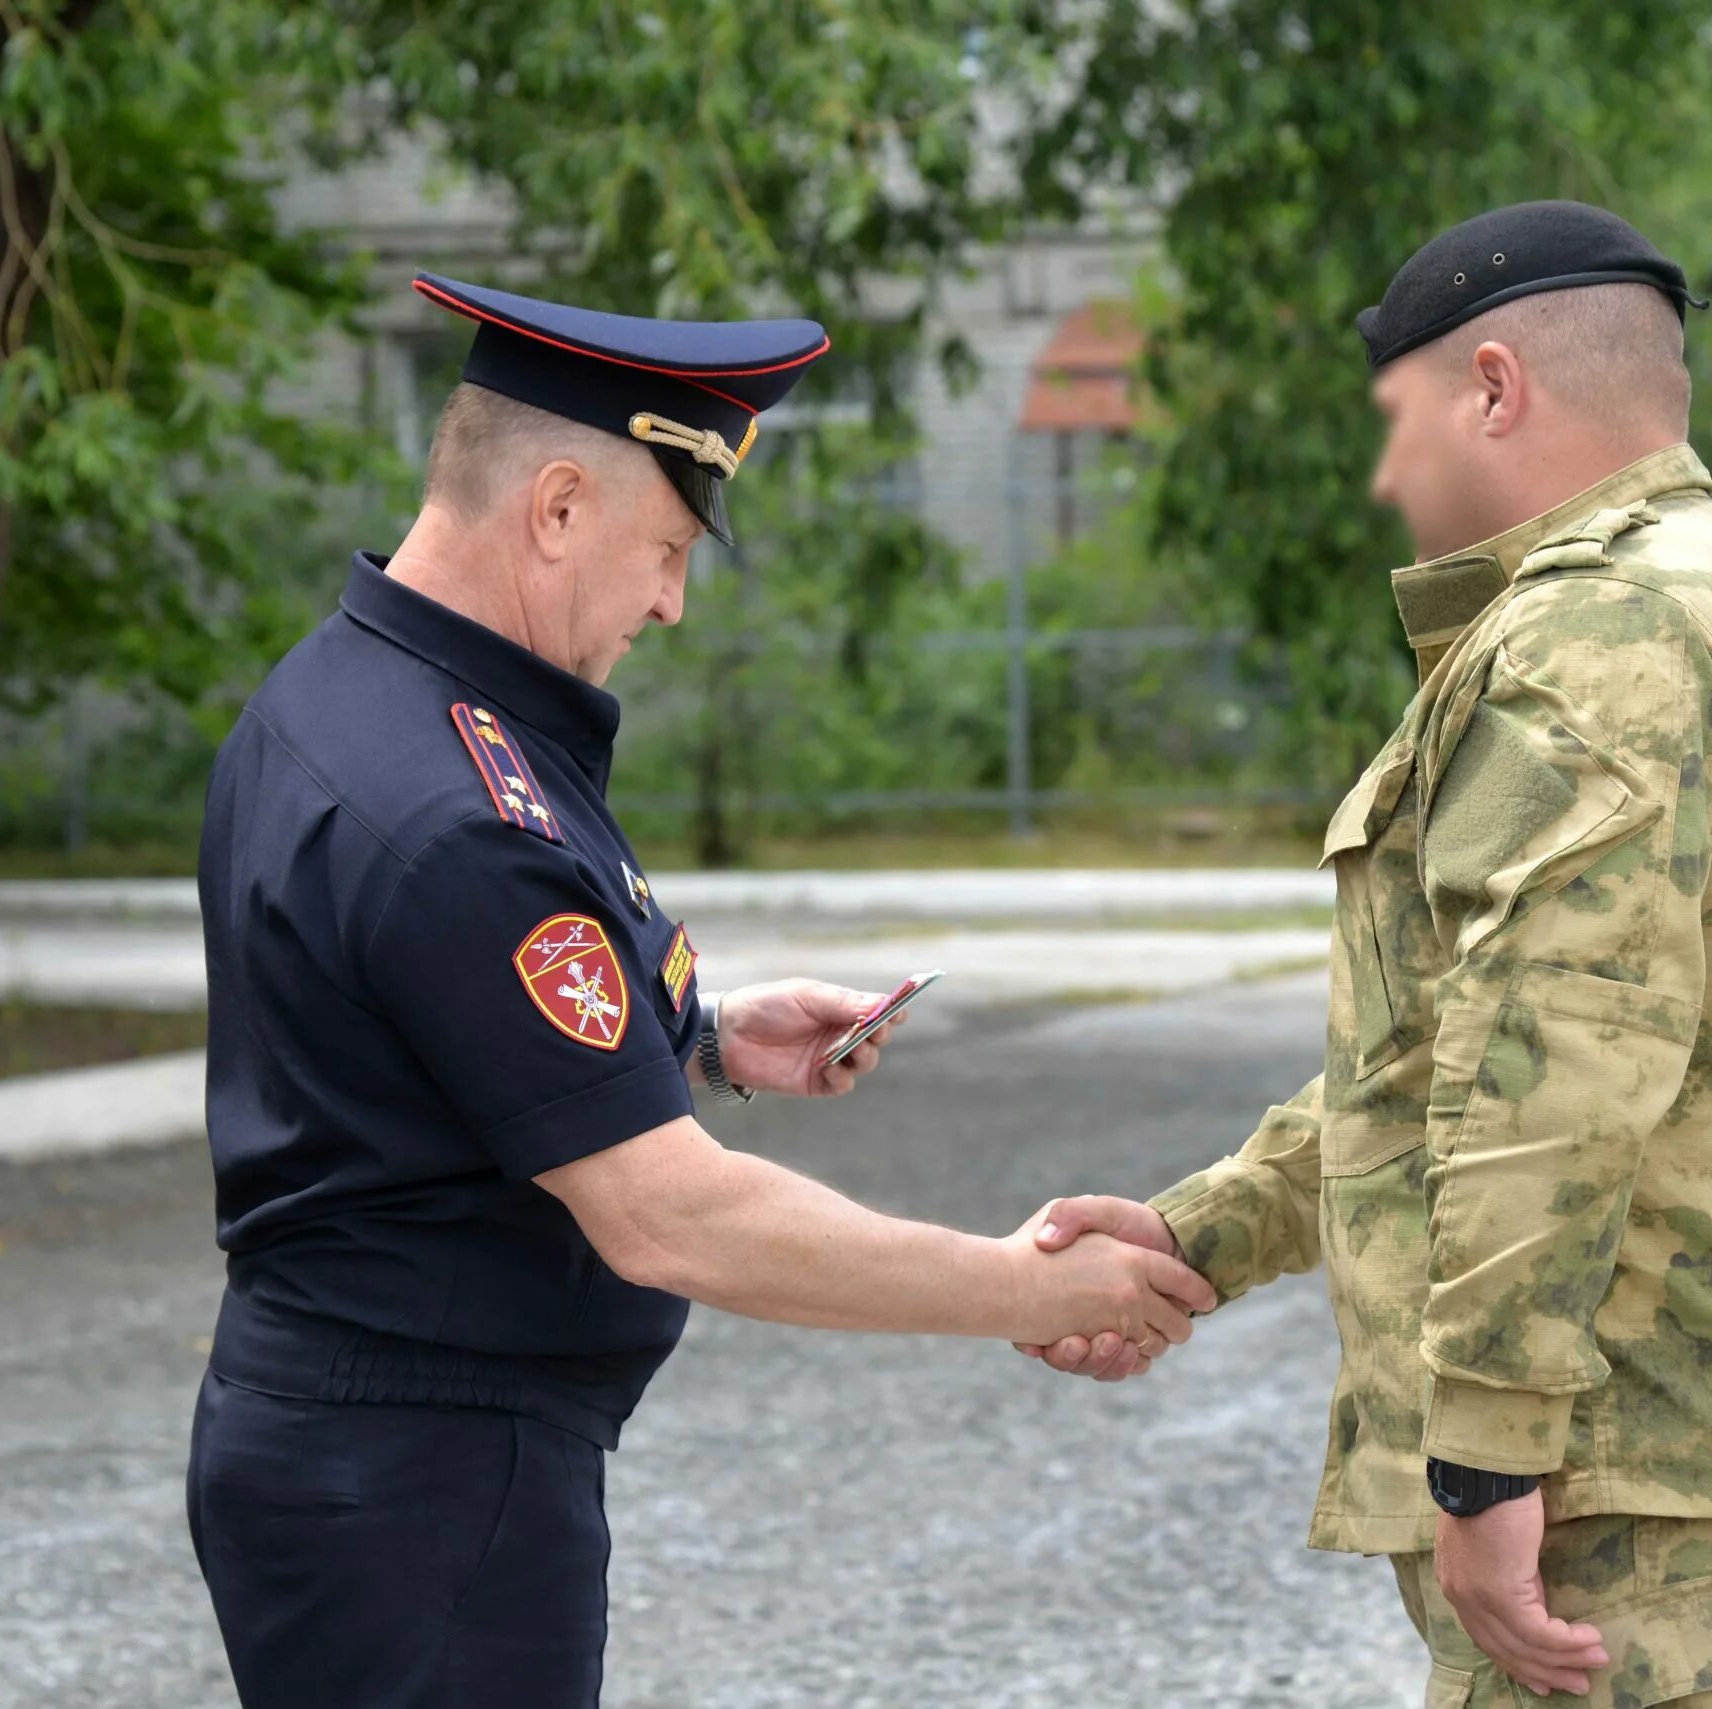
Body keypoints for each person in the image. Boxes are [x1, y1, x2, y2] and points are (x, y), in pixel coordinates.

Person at [183, 271, 1216, 1708]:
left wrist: (706, 1035)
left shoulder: (340, 697)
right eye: (667, 546)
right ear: (555, 507)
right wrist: (1018, 1290)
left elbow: (424, 1045)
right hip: (428, 1481)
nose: (670, 601)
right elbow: (673, 1214)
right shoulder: (456, 809)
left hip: (361, 1449)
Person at [1020, 202, 1712, 1707]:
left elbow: (1551, 1073)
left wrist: (1487, 1460)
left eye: (1395, 422)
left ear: (1494, 388)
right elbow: (1461, 1041)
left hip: (1624, 1483)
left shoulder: (1595, 637)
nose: (1383, 476)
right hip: (1710, 1455)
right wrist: (1207, 1233)